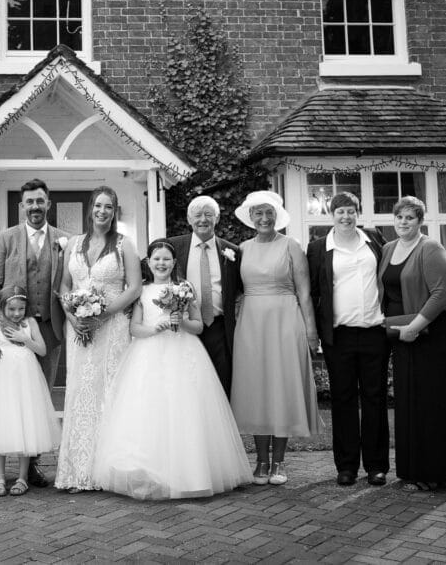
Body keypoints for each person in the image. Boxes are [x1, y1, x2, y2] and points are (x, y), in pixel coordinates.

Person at [93, 240, 251, 500]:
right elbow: (135, 328)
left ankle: (189, 473)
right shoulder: (141, 291)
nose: (161, 263)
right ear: (148, 262)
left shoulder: (184, 288)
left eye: (166, 259)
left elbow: (199, 326)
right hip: (149, 355)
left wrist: (183, 322)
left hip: (184, 352)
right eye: (156, 259)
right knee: (149, 410)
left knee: (184, 409)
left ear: (174, 262)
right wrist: (156, 328)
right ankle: (149, 472)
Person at [0, 178, 68, 491]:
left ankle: (32, 466)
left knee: (37, 399)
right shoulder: (7, 238)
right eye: (29, 202)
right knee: (2, 399)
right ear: (22, 206)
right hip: (11, 330)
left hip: (48, 332)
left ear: (48, 203)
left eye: (40, 201)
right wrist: (1, 323)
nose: (35, 207)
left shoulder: (63, 240)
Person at [230, 191, 322, 486]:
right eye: (258, 213)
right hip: (252, 324)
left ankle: (279, 462)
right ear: (251, 217)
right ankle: (260, 461)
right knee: (257, 388)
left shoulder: (291, 245)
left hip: (286, 320)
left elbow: (304, 292)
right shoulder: (241, 248)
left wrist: (311, 331)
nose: (264, 219)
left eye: (269, 213)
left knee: (281, 387)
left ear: (278, 216)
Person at [55, 186, 142, 493]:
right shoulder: (74, 244)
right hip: (79, 328)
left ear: (114, 212)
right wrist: (73, 317)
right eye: (98, 206)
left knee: (109, 393)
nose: (102, 212)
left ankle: (108, 470)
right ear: (90, 209)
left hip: (112, 327)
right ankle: (78, 471)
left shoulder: (124, 245)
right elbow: (65, 285)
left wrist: (102, 315)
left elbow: (134, 288)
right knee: (80, 393)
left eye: (109, 207)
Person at [378, 196, 446, 491]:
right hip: (403, 332)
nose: (404, 222)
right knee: (408, 401)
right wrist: (395, 329)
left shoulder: (430, 248)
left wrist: (414, 328)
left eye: (410, 218)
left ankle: (434, 472)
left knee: (431, 402)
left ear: (420, 221)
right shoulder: (388, 248)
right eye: (399, 217)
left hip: (433, 332)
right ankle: (411, 470)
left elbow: (441, 295)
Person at [307, 192, 390, 487]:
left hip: (374, 332)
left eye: (351, 211)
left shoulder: (374, 239)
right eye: (340, 212)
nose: (346, 217)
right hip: (338, 335)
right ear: (332, 215)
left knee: (375, 399)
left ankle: (377, 466)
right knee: (342, 400)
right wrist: (314, 331)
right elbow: (313, 293)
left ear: (358, 212)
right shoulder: (318, 248)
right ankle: (346, 466)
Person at [0, 286, 61, 497]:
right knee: (2, 424)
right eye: (11, 309)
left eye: (21, 308)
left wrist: (25, 339)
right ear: (3, 307)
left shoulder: (30, 323)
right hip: (2, 378)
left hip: (26, 378)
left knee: (25, 423)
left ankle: (22, 477)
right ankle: (0, 477)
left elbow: (42, 349)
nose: (16, 313)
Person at [166, 195, 242, 396]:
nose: (203, 220)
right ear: (189, 219)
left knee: (221, 383)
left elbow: (241, 290)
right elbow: (149, 272)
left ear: (216, 219)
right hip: (185, 326)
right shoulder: (172, 247)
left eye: (209, 215)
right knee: (187, 384)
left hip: (219, 327)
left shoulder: (232, 251)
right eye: (197, 215)